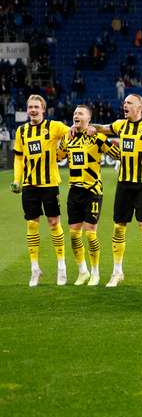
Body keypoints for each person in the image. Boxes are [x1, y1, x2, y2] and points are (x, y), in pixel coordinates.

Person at [89, 93, 142, 287]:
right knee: (118, 227)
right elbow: (104, 129)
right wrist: (88, 127)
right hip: (123, 183)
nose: (125, 105)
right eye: (124, 102)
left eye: (129, 103)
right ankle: (117, 272)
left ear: (140, 108)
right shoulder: (120, 125)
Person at [10, 95, 69, 286]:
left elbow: (73, 133)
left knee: (53, 222)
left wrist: (62, 151)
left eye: (36, 107)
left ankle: (61, 267)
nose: (33, 110)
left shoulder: (54, 126)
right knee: (32, 225)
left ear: (43, 109)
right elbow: (19, 158)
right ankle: (35, 269)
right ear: (27, 110)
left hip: (50, 183)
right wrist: (17, 180)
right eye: (30, 107)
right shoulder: (21, 131)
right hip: (29, 185)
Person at [64, 104, 121, 286]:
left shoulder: (96, 138)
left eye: (80, 113)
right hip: (74, 191)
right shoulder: (69, 138)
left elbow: (116, 154)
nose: (76, 115)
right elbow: (58, 156)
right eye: (74, 113)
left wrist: (98, 135)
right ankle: (83, 271)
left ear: (88, 119)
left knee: (90, 233)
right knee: (74, 235)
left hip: (92, 190)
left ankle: (95, 272)